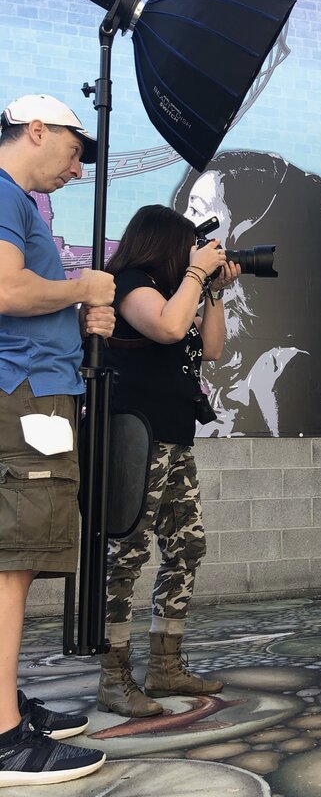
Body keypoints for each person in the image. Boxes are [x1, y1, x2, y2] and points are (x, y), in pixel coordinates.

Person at [0, 94, 116, 786]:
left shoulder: (19, 201)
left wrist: (78, 319)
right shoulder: (5, 193)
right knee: (11, 561)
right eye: (74, 151)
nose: (76, 169)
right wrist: (80, 287)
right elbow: (6, 290)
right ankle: (6, 740)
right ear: (35, 130)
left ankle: (4, 707)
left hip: (32, 391)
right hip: (24, 398)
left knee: (16, 555)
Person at [97, 205, 240, 716]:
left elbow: (213, 349)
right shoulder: (129, 283)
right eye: (186, 247)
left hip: (176, 441)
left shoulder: (174, 291)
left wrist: (215, 292)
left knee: (187, 548)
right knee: (126, 556)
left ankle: (164, 666)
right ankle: (114, 675)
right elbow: (166, 329)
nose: (192, 256)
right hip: (136, 438)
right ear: (162, 244)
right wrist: (197, 274)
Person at [172, 150, 321, 437]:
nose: (184, 221)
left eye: (198, 211)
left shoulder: (280, 369)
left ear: (246, 239)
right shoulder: (229, 344)